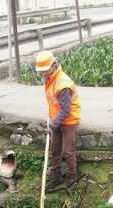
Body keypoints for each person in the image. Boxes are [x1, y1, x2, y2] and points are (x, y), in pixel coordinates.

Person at [34, 50, 81, 191]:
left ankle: (73, 179)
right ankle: (56, 177)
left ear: (54, 66)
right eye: (41, 72)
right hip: (57, 119)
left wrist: (54, 124)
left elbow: (66, 110)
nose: (43, 74)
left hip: (69, 120)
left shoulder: (62, 84)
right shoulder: (50, 79)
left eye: (45, 70)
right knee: (55, 149)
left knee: (67, 151)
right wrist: (53, 121)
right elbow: (54, 103)